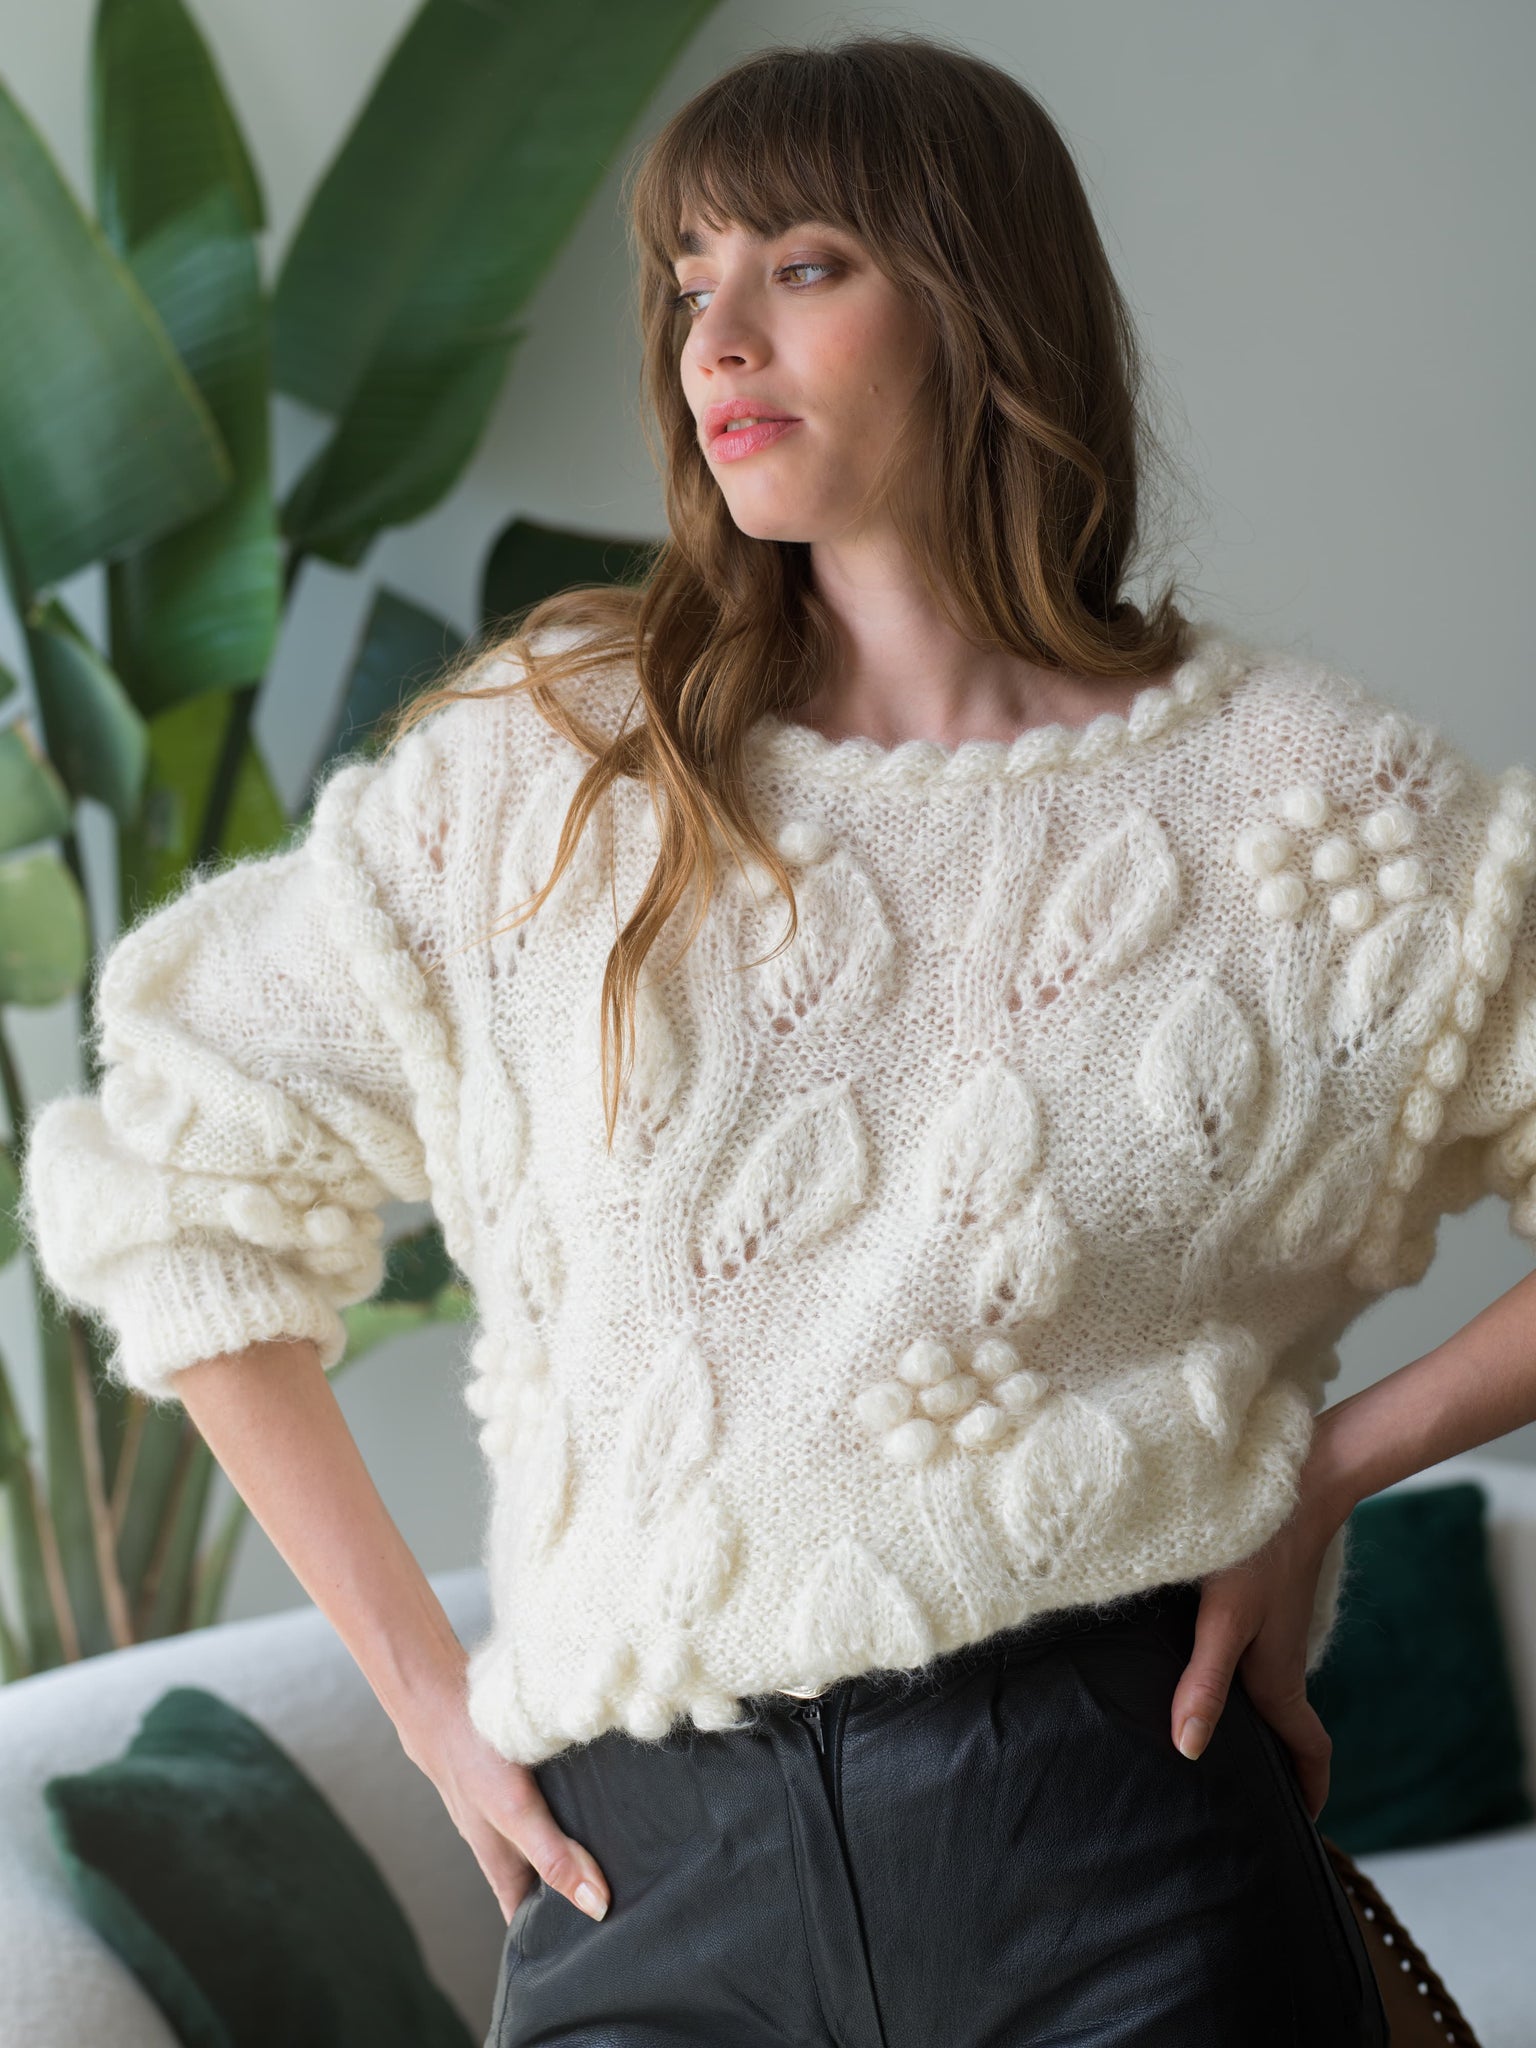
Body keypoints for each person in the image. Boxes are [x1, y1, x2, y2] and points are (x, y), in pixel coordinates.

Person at [19, 27, 1536, 2048]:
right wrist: (425, 1699)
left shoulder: (1308, 811)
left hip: (1113, 1844)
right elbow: (169, 1179)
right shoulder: (552, 765)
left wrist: (1331, 1470)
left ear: (983, 305)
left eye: (803, 265)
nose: (713, 338)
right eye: (687, 280)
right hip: (645, 1886)